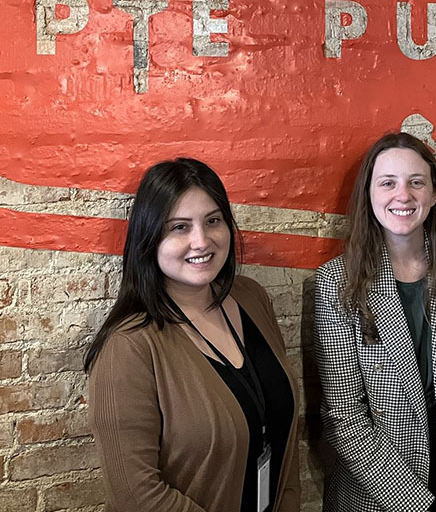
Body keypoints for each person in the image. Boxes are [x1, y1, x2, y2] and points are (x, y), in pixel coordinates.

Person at [85, 158, 300, 512]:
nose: (201, 241)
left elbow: (285, 443)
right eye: (180, 227)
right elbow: (135, 495)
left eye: (212, 221)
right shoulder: (129, 347)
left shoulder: (251, 298)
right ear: (150, 238)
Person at [314, 133, 436, 512]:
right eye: (387, 183)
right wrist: (414, 504)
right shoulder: (338, 283)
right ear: (368, 195)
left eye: (415, 182)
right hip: (379, 499)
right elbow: (345, 417)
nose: (402, 195)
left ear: (435, 194)